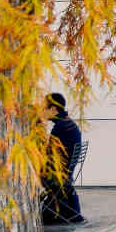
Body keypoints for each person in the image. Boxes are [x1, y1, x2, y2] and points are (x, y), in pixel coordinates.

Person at [41, 92, 85, 224]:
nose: (43, 111)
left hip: (60, 174)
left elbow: (49, 154)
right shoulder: (68, 123)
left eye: (44, 108)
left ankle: (49, 211)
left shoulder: (60, 127)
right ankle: (56, 209)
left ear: (53, 109)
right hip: (67, 172)